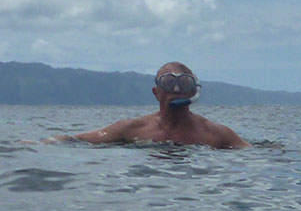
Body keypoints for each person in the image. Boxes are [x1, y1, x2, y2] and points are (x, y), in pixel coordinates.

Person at [69, 62, 249, 149]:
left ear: (193, 92)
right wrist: (55, 141)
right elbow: (76, 140)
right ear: (156, 92)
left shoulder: (217, 134)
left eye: (184, 83)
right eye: (168, 83)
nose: (176, 90)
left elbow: (250, 152)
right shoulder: (131, 129)